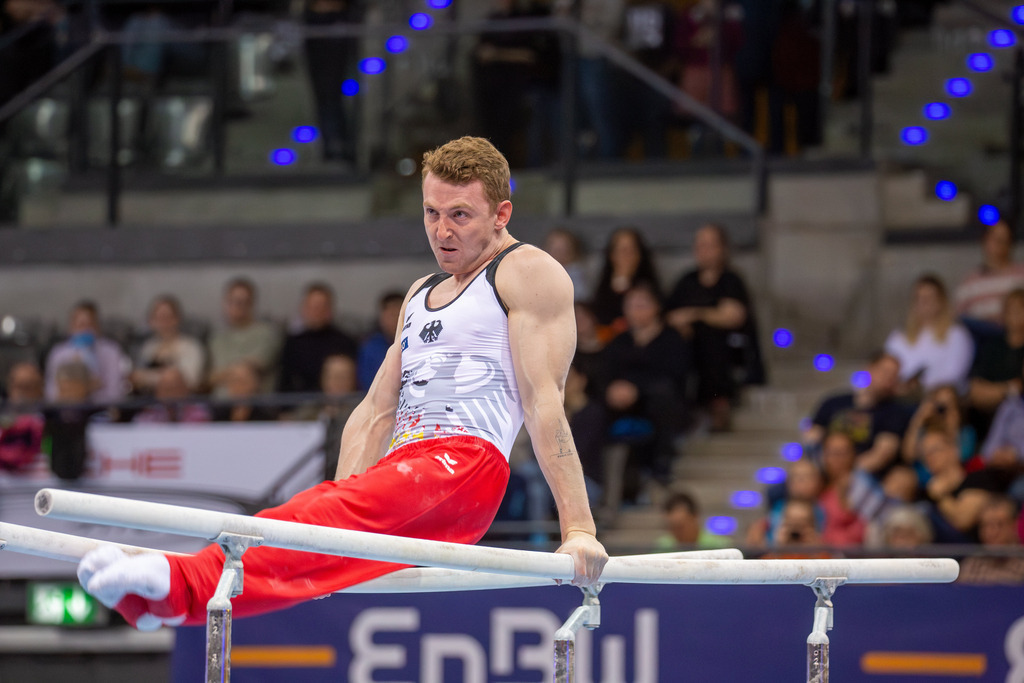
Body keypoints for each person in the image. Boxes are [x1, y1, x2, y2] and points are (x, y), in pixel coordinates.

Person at [77, 136, 608, 630]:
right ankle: (163, 607)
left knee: (307, 520)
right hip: (406, 468)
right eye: (431, 213)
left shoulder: (527, 273)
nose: (441, 232)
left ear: (501, 214)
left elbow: (544, 403)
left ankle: (184, 579)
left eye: (460, 216)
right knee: (313, 518)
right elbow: (375, 410)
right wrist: (334, 537)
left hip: (462, 467)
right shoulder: (421, 293)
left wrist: (578, 528)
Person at [666, 223, 764, 432]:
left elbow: (733, 316)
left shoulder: (731, 280)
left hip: (726, 348)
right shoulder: (687, 280)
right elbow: (670, 315)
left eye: (710, 245)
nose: (704, 250)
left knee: (712, 338)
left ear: (723, 248)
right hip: (690, 347)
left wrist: (695, 315)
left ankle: (718, 405)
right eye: (700, 245)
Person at [805, 351, 912, 474]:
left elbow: (881, 455)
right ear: (869, 368)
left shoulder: (895, 412)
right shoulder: (833, 402)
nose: (888, 380)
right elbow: (811, 440)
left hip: (862, 474)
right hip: (825, 469)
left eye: (894, 377)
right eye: (884, 372)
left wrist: (846, 472)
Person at [884, 274, 974, 397]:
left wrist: (918, 387)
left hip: (937, 399)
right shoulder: (898, 337)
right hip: (899, 397)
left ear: (941, 301)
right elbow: (885, 369)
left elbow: (954, 376)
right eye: (919, 298)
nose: (923, 303)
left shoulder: (957, 336)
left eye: (929, 298)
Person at [277, 282, 358, 394]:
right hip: (301, 404)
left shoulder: (345, 342)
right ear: (304, 308)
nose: (317, 311)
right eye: (313, 307)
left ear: (331, 309)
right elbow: (284, 382)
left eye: (322, 307)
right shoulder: (292, 343)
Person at [44, 300, 130, 404]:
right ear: (71, 327)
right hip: (65, 410)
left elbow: (115, 392)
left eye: (89, 325)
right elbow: (51, 392)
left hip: (100, 410)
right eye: (80, 325)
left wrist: (90, 390)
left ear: (97, 326)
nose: (85, 330)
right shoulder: (58, 353)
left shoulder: (111, 351)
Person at [207, 278, 282, 396]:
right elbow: (210, 378)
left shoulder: (267, 333)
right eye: (232, 301)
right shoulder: (217, 338)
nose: (237, 307)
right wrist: (237, 370)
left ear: (251, 304)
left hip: (255, 405)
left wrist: (225, 374)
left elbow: (253, 368)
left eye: (242, 302)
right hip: (219, 406)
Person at [953, 218, 1024, 336]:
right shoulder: (970, 281)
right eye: (996, 239)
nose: (999, 245)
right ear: (985, 241)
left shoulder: (1021, 275)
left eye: (1004, 240)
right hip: (982, 341)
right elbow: (957, 318)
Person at [590, 226, 662, 335]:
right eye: (621, 250)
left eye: (631, 251)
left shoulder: (649, 285)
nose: (626, 256)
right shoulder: (604, 284)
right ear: (611, 255)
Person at [132, 295, 206, 394]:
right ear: (151, 321)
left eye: (168, 317)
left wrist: (147, 377)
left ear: (178, 318)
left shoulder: (191, 346)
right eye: (159, 318)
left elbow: (190, 380)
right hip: (149, 402)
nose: (164, 323)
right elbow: (137, 378)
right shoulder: (148, 347)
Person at [958, 496, 1024, 584]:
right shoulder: (970, 566)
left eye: (1000, 525)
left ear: (1014, 526)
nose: (991, 533)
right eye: (985, 526)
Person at [356, 291, 404, 391]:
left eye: (399, 314)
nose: (396, 319)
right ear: (381, 316)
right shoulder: (370, 346)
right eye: (391, 314)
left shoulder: (419, 343)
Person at [654, 490, 729, 550]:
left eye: (680, 527)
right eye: (672, 527)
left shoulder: (720, 546)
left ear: (695, 516)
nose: (677, 533)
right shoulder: (662, 547)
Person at [543, 227, 591, 302]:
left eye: (562, 250)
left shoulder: (576, 275)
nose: (557, 255)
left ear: (573, 253)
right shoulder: (539, 272)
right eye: (554, 249)